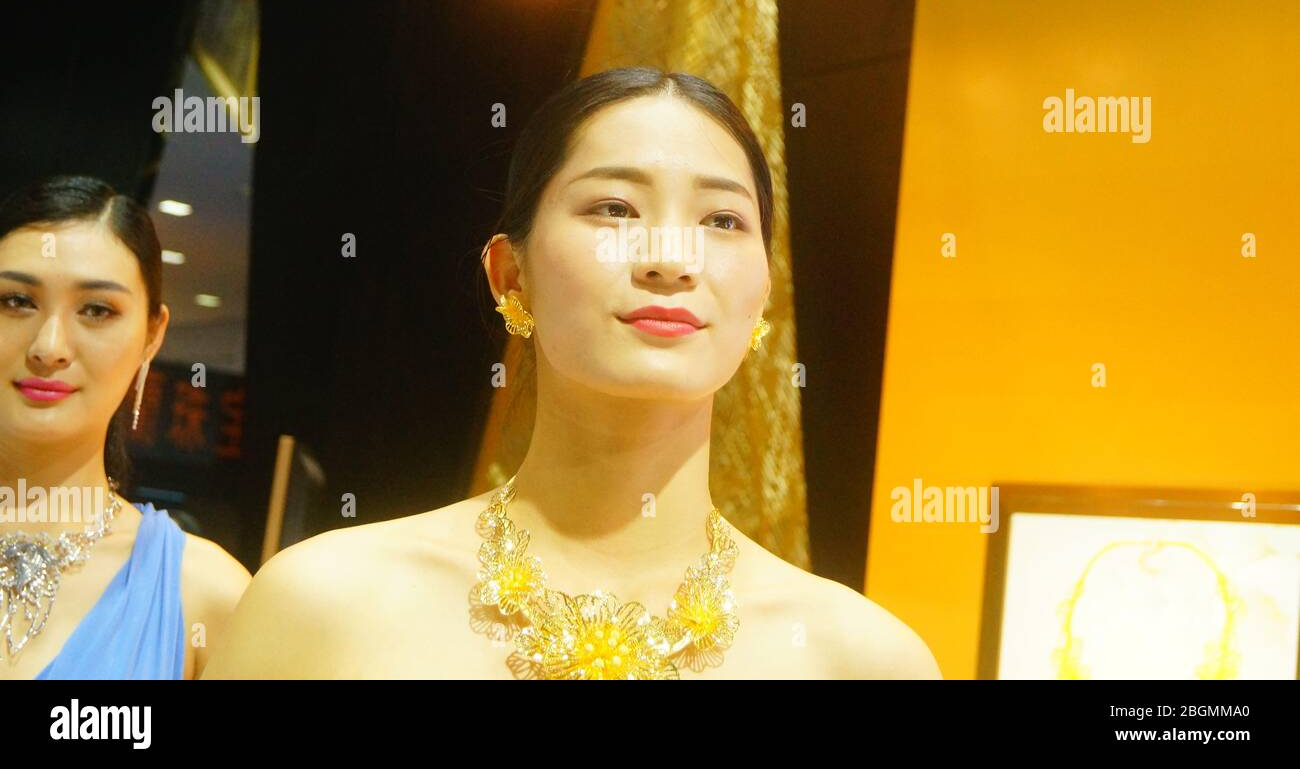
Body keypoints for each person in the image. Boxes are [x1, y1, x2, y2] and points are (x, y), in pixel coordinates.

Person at [204, 67, 942, 679]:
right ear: (508, 274)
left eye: (721, 220)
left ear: (764, 292)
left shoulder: (863, 659)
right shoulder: (322, 605)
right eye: (615, 207)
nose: (670, 258)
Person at [0, 175, 251, 679]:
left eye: (97, 310)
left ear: (151, 336)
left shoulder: (204, 594)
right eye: (16, 301)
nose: (49, 346)